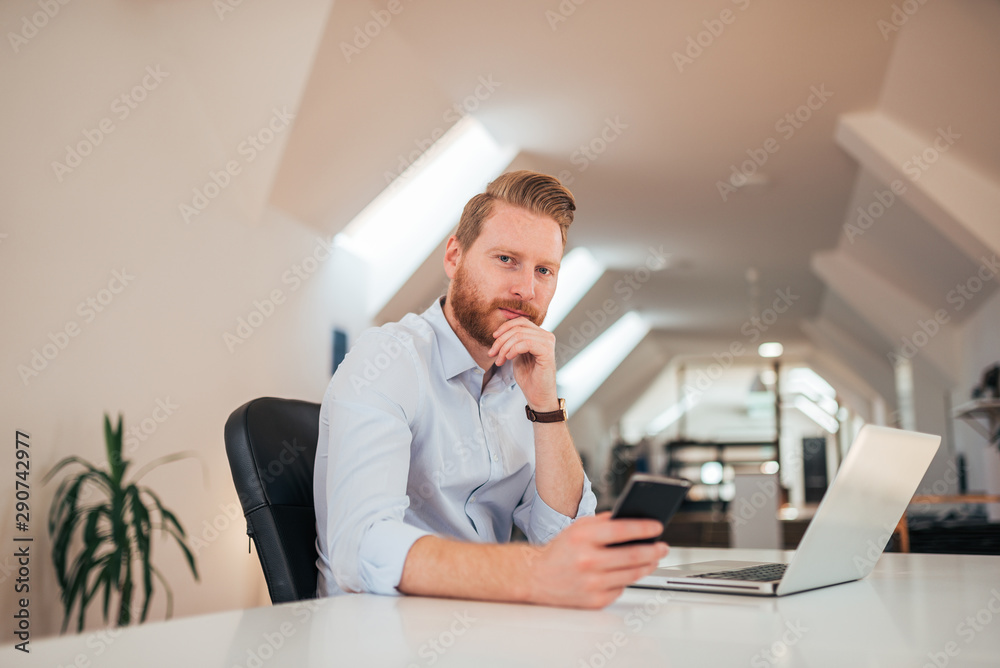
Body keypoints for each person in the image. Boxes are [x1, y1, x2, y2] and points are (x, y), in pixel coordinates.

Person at [314, 170, 668, 609]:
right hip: (381, 633)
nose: (526, 289)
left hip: (487, 626)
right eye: (506, 259)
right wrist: (531, 574)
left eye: (544, 270)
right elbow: (361, 547)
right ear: (454, 257)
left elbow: (560, 538)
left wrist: (545, 405)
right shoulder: (387, 360)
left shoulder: (523, 379)